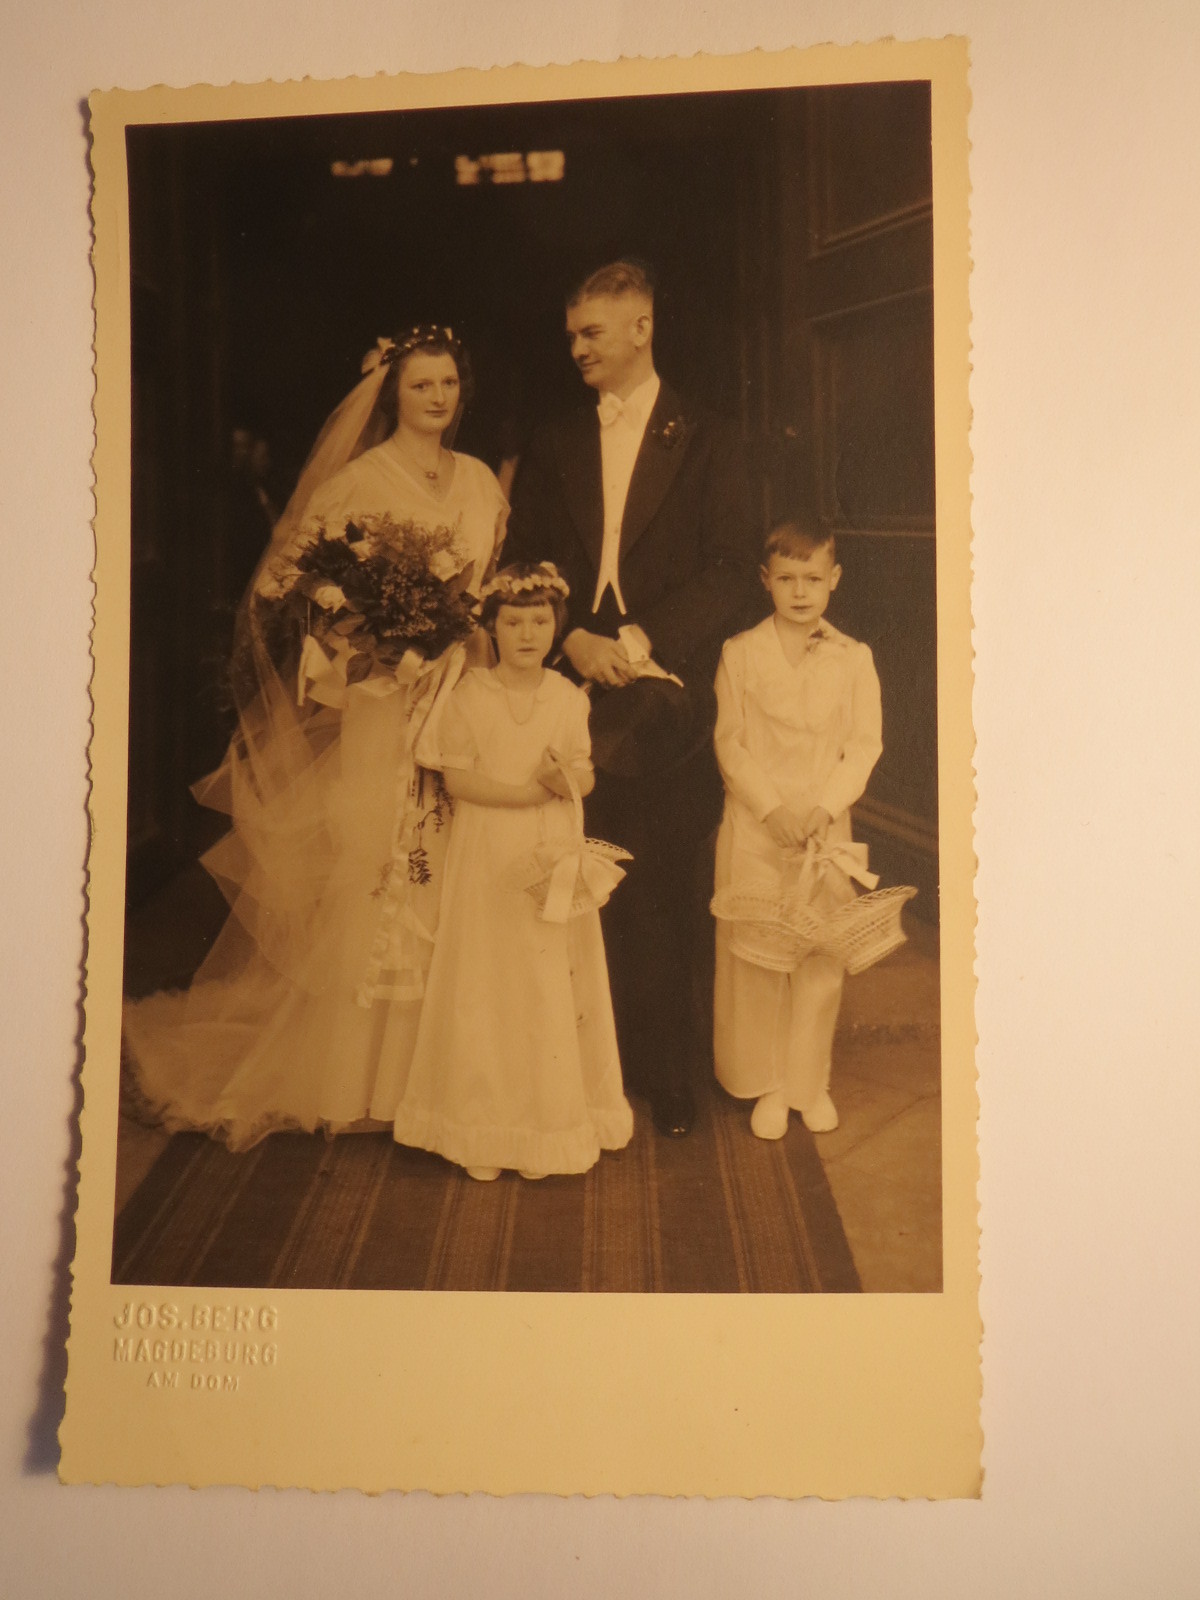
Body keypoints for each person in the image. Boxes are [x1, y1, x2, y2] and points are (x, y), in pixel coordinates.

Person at [123, 326, 508, 1151]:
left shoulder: (480, 484)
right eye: (420, 386)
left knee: (450, 869)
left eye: (448, 384)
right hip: (381, 705)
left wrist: (457, 648)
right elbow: (304, 601)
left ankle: (430, 1072)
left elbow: (482, 603)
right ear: (390, 396)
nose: (437, 398)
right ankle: (352, 1073)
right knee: (375, 868)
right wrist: (379, 652)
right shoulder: (356, 483)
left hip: (458, 702)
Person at [506, 259, 756, 1136]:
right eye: (571, 334)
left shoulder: (712, 437)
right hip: (565, 676)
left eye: (591, 332)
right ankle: (567, 1069)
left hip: (664, 690)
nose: (575, 348)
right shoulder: (554, 440)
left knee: (652, 885)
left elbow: (734, 573)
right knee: (554, 870)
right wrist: (571, 633)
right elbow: (523, 556)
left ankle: (663, 1073)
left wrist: (641, 643)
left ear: (641, 328)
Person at [393, 562, 634, 1180]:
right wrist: (532, 793)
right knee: (488, 979)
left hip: (550, 848)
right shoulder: (470, 695)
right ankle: (484, 1129)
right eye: (513, 621)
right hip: (488, 850)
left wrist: (567, 781)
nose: (528, 634)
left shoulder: (569, 698)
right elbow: (457, 778)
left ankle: (545, 1128)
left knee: (546, 976)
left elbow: (584, 770)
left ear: (556, 627)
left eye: (540, 621)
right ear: (492, 628)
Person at [712, 520, 883, 1139]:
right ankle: (764, 1080)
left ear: (834, 580)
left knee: (816, 953)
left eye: (813, 578)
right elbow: (730, 742)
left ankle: (807, 1082)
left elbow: (863, 747)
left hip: (823, 826)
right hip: (760, 824)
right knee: (759, 950)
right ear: (767, 582)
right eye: (787, 578)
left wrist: (821, 809)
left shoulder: (853, 657)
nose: (801, 591)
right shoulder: (741, 652)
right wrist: (772, 809)